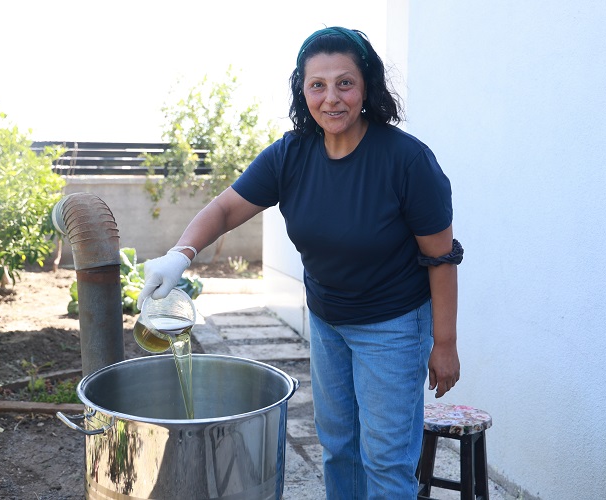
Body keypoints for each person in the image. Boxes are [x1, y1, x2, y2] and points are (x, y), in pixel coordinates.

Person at [137, 26, 463, 500]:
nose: (332, 98)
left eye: (345, 83)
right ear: (302, 90)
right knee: (338, 447)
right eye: (318, 85)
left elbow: (441, 256)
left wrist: (445, 342)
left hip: (393, 327)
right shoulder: (291, 155)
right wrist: (179, 255)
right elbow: (227, 208)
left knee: (385, 460)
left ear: (366, 86)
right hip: (329, 321)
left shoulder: (406, 161)